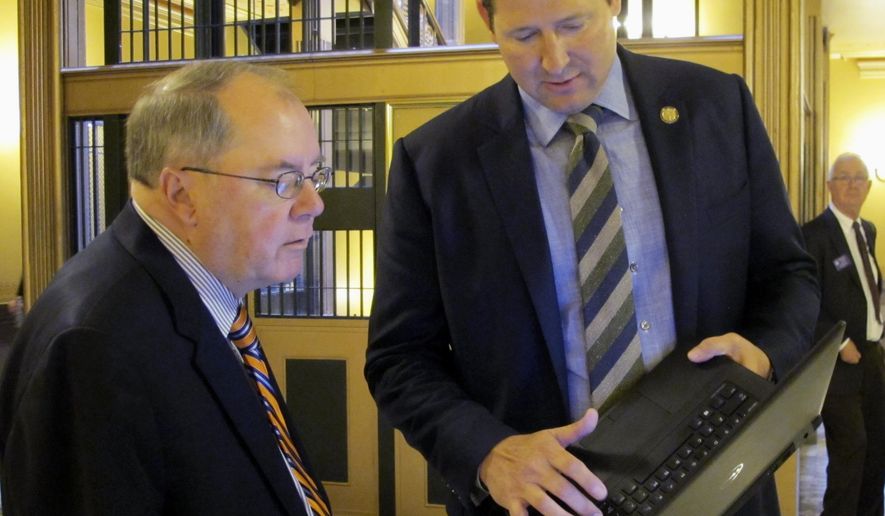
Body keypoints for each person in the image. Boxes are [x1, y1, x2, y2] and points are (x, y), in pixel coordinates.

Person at [365, 0, 820, 514]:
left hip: (719, 481)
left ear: (614, 5)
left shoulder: (715, 105)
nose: (555, 61)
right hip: (543, 499)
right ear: (487, 19)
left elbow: (789, 276)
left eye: (572, 26)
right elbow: (399, 359)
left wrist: (764, 355)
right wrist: (489, 452)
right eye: (523, 36)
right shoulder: (435, 162)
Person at [0, 61, 331, 515]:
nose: (314, 203)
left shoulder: (200, 294)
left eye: (314, 174)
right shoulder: (97, 345)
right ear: (181, 193)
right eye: (285, 181)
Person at [802, 152, 885, 516]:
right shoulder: (812, 235)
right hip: (837, 363)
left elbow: (864, 289)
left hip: (873, 359)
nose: (852, 184)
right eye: (844, 177)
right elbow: (805, 301)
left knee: (877, 451)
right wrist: (840, 341)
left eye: (859, 178)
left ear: (868, 187)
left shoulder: (868, 231)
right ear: (829, 185)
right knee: (851, 449)